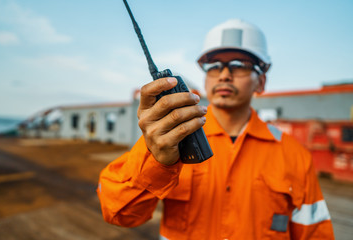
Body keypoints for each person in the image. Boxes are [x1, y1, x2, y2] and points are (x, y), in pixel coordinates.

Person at [97, 19, 334, 239]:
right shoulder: (170, 138)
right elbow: (117, 212)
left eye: (239, 65)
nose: (224, 75)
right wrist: (158, 163)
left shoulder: (294, 155)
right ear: (206, 78)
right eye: (214, 65)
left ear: (261, 82)